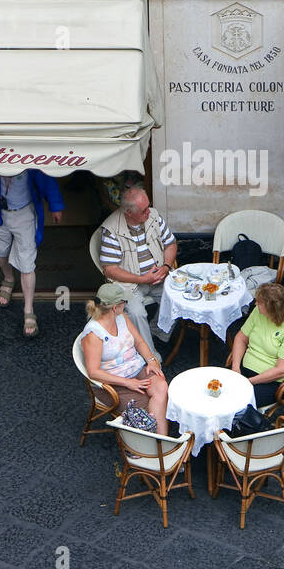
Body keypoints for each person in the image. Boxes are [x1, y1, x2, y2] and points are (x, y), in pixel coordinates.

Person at [0, 167, 65, 338]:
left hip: (24, 213)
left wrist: (55, 205)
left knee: (27, 264)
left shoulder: (28, 153)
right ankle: (9, 278)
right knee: (0, 251)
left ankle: (28, 309)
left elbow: (46, 178)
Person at [98, 186, 178, 357]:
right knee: (136, 312)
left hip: (158, 276)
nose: (148, 212)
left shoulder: (153, 216)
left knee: (180, 298)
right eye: (143, 211)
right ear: (128, 212)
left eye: (148, 206)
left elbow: (170, 243)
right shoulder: (112, 230)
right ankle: (150, 357)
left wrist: (166, 267)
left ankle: (156, 331)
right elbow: (110, 270)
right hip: (130, 284)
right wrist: (142, 279)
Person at [79, 282, 168, 434]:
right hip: (112, 384)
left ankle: (159, 441)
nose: (126, 304)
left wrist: (151, 360)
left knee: (162, 388)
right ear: (115, 307)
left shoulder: (121, 316)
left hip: (135, 368)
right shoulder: (94, 334)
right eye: (124, 302)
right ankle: (155, 446)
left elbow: (139, 341)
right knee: (150, 404)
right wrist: (128, 383)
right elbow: (93, 372)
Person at [228, 283, 284, 408]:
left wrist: (248, 382)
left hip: (274, 382)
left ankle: (240, 426)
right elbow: (241, 338)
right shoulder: (258, 312)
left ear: (271, 308)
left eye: (259, 302)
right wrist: (235, 368)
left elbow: (282, 370)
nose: (255, 304)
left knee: (233, 401)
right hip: (245, 369)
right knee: (214, 388)